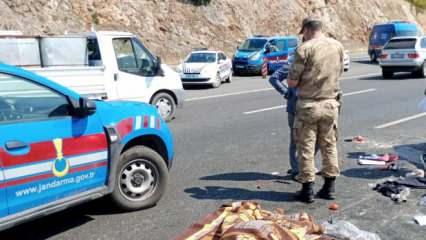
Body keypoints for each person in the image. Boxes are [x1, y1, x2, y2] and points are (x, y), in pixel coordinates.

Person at [287, 18, 344, 203]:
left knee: (306, 147)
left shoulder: (304, 49)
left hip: (309, 105)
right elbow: (340, 71)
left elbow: (292, 81)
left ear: (307, 30)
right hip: (331, 104)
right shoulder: (337, 46)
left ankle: (307, 189)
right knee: (329, 145)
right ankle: (329, 187)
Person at [268, 64, 320, 180]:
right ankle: (296, 168)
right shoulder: (292, 64)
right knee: (295, 139)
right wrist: (286, 93)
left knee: (316, 138)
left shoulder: (316, 63)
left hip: (312, 107)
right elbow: (274, 78)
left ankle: (306, 164)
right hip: (295, 109)